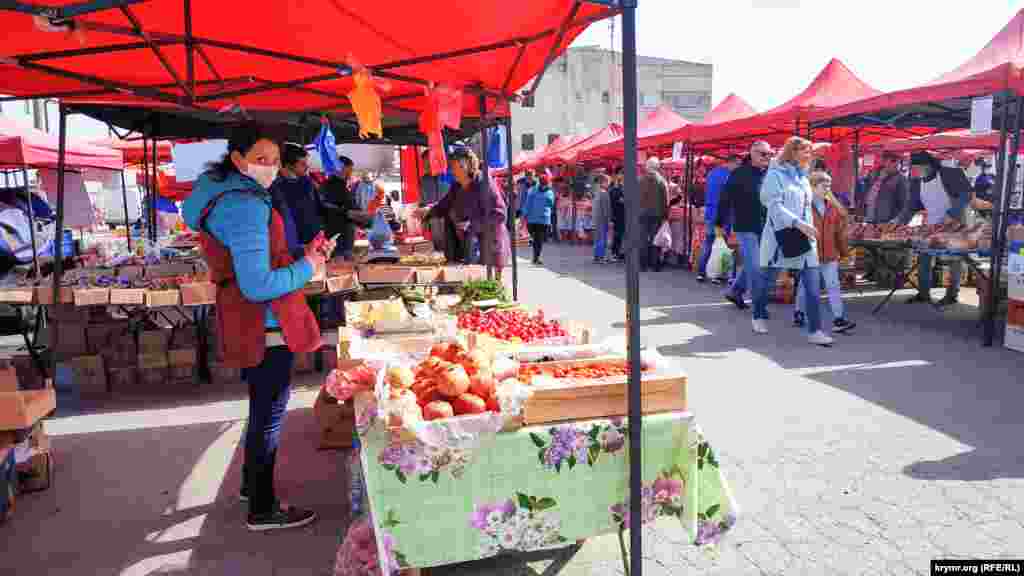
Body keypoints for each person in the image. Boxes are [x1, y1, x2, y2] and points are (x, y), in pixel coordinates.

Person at [182, 125, 331, 531]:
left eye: (275, 161)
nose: (269, 168)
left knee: (262, 407)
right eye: (260, 159)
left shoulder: (227, 196)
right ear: (237, 159)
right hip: (264, 324)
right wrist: (307, 267)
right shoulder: (245, 206)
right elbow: (258, 284)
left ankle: (252, 485)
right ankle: (263, 509)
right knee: (269, 413)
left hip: (249, 320)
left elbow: (257, 259)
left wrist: (303, 252)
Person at [759, 136, 833, 346]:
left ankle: (815, 330)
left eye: (810, 152)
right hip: (782, 236)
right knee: (768, 280)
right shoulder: (775, 175)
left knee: (812, 284)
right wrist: (798, 223)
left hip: (806, 238)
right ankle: (758, 313)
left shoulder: (803, 177)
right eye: (805, 151)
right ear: (792, 153)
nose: (809, 156)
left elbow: (806, 204)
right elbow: (773, 206)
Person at [906, 152, 992, 306]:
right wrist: (898, 222)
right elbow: (911, 207)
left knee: (955, 259)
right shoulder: (916, 181)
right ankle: (923, 293)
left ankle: (952, 294)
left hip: (955, 223)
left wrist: (951, 214)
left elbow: (967, 194)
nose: (918, 171)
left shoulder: (950, 173)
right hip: (933, 224)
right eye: (915, 168)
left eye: (920, 168)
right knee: (924, 256)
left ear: (930, 165)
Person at [793, 171, 857, 333]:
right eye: (824, 185)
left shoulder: (832, 206)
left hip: (829, 254)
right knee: (805, 286)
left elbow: (839, 233)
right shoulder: (803, 205)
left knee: (833, 286)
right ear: (812, 187)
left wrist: (844, 253)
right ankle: (799, 312)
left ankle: (838, 319)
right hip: (810, 254)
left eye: (829, 185)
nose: (827, 189)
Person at [718, 141, 772, 313]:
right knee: (756, 266)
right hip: (745, 226)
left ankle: (735, 291)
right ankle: (759, 307)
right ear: (752, 154)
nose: (767, 157)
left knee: (754, 263)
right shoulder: (739, 173)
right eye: (763, 154)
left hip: (764, 226)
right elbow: (725, 198)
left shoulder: (769, 173)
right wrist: (719, 223)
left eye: (769, 154)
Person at [424, 148, 484, 266]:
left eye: (454, 167)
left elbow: (497, 214)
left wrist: (471, 224)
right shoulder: (456, 186)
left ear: (466, 166)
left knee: (474, 276)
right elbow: (444, 205)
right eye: (452, 167)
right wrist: (428, 213)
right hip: (458, 245)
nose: (452, 171)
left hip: (479, 246)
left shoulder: (483, 184)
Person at [270, 143, 323, 256]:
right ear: (289, 165)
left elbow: (318, 208)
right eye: (302, 164)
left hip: (313, 241)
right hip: (290, 247)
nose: (307, 167)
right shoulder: (274, 187)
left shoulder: (308, 183)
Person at [697, 155, 739, 283]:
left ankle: (701, 272)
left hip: (710, 213)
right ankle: (722, 274)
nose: (738, 167)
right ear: (731, 163)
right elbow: (731, 197)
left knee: (708, 243)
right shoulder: (729, 176)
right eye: (737, 164)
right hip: (723, 215)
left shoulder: (711, 174)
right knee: (725, 245)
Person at [321, 155, 372, 260]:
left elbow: (347, 208)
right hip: (337, 242)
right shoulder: (331, 186)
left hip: (343, 241)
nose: (350, 173)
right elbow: (329, 210)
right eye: (349, 170)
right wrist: (352, 214)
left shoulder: (340, 186)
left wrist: (361, 217)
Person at [638, 157, 669, 272]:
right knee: (656, 239)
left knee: (642, 239)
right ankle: (655, 265)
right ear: (657, 167)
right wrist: (665, 216)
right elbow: (666, 201)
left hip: (642, 214)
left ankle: (642, 265)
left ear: (647, 167)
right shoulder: (662, 181)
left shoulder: (640, 180)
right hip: (657, 214)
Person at [860, 152, 908, 224]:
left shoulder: (900, 179)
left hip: (885, 221)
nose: (896, 164)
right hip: (869, 218)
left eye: (899, 161)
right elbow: (865, 194)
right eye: (893, 160)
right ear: (884, 161)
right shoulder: (873, 175)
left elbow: (904, 203)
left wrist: (896, 220)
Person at [520, 172, 555, 264]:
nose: (544, 185)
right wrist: (523, 217)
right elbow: (528, 205)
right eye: (543, 183)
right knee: (537, 239)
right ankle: (536, 256)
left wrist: (524, 216)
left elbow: (551, 205)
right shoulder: (534, 191)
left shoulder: (549, 192)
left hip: (542, 220)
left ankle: (536, 257)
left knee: (538, 239)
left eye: (545, 184)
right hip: (534, 220)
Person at [591, 173, 613, 264]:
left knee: (597, 239)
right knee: (602, 239)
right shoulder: (604, 194)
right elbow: (606, 209)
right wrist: (609, 221)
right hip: (602, 220)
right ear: (603, 182)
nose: (608, 184)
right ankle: (600, 257)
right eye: (608, 182)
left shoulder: (597, 193)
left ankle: (596, 257)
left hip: (597, 219)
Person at [609, 169, 626, 261]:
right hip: (617, 214)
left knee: (621, 234)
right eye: (622, 174)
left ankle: (619, 252)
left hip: (622, 215)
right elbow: (616, 200)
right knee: (617, 234)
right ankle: (615, 253)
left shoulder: (622, 187)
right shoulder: (615, 188)